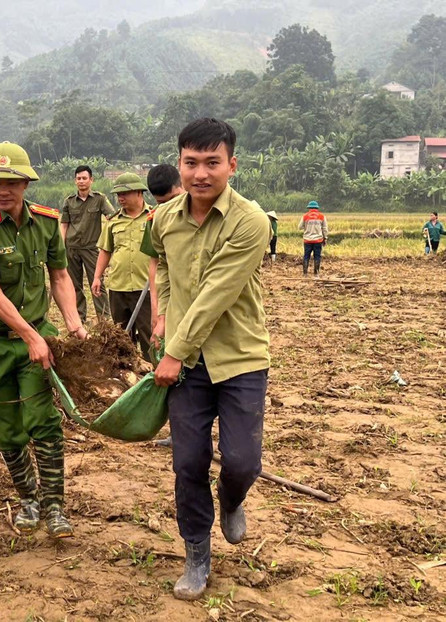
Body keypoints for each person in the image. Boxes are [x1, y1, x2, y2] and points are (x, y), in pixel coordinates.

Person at [150, 118, 270, 600]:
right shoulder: (162, 219)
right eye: (191, 163)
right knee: (188, 462)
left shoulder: (250, 221)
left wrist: (174, 349)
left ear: (231, 165)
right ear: (180, 165)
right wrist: (161, 316)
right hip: (185, 365)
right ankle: (197, 553)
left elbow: (216, 293)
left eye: (212, 163)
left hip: (239, 357)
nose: (201, 173)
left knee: (242, 460)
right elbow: (161, 269)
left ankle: (233, 497)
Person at [0, 142, 87, 538]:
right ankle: (28, 500)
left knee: (43, 421)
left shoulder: (47, 222)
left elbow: (60, 276)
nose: (2, 190)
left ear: (26, 183)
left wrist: (74, 325)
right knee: (8, 427)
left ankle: (55, 507)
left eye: (11, 182)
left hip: (36, 340)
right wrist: (30, 335)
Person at [92, 172, 152, 359]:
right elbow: (105, 250)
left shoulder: (154, 217)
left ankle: (152, 375)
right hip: (119, 287)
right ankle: (127, 374)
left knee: (148, 334)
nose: (120, 198)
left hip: (146, 287)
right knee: (121, 337)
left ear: (139, 193)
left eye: (124, 194)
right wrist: (96, 277)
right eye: (118, 195)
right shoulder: (114, 221)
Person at [60, 165, 116, 323]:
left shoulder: (99, 199)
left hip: (92, 249)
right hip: (71, 248)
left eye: (85, 178)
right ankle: (79, 318)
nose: (81, 181)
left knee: (97, 284)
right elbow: (64, 225)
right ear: (75, 181)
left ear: (91, 180)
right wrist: (60, 246)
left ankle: (103, 319)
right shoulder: (69, 201)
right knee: (74, 285)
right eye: (78, 178)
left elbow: (111, 217)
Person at [140, 164, 184, 351]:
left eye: (174, 199)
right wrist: (156, 311)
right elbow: (155, 264)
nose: (169, 207)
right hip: (171, 297)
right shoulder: (156, 220)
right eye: (162, 203)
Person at [298, 200, 327, 276]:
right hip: (318, 240)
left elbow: (299, 227)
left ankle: (305, 274)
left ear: (309, 208)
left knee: (306, 256)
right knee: (317, 256)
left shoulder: (305, 216)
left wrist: (306, 226)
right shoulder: (321, 216)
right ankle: (316, 274)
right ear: (317, 208)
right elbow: (325, 229)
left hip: (307, 240)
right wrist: (325, 238)